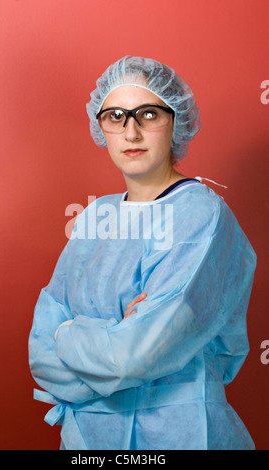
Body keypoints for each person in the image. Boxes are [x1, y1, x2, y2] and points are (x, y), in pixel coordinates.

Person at [28, 56, 257, 450]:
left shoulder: (199, 214)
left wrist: (71, 330)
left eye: (148, 114)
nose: (131, 131)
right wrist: (107, 335)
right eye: (115, 116)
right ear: (101, 127)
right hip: (87, 441)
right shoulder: (97, 215)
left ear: (175, 122)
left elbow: (136, 354)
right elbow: (41, 350)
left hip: (179, 433)